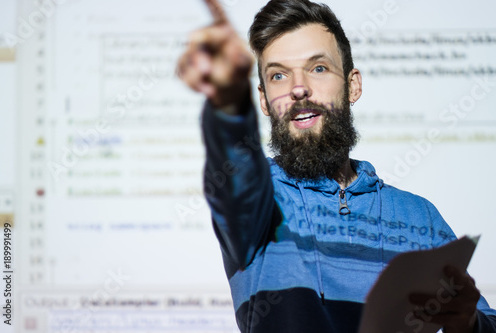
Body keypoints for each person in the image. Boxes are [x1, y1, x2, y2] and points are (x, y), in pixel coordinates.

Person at [177, 0, 496, 332]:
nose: (298, 88)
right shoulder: (260, 201)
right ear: (263, 100)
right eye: (278, 75)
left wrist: (469, 323)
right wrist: (229, 98)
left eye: (318, 68)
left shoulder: (420, 216)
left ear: (353, 85)